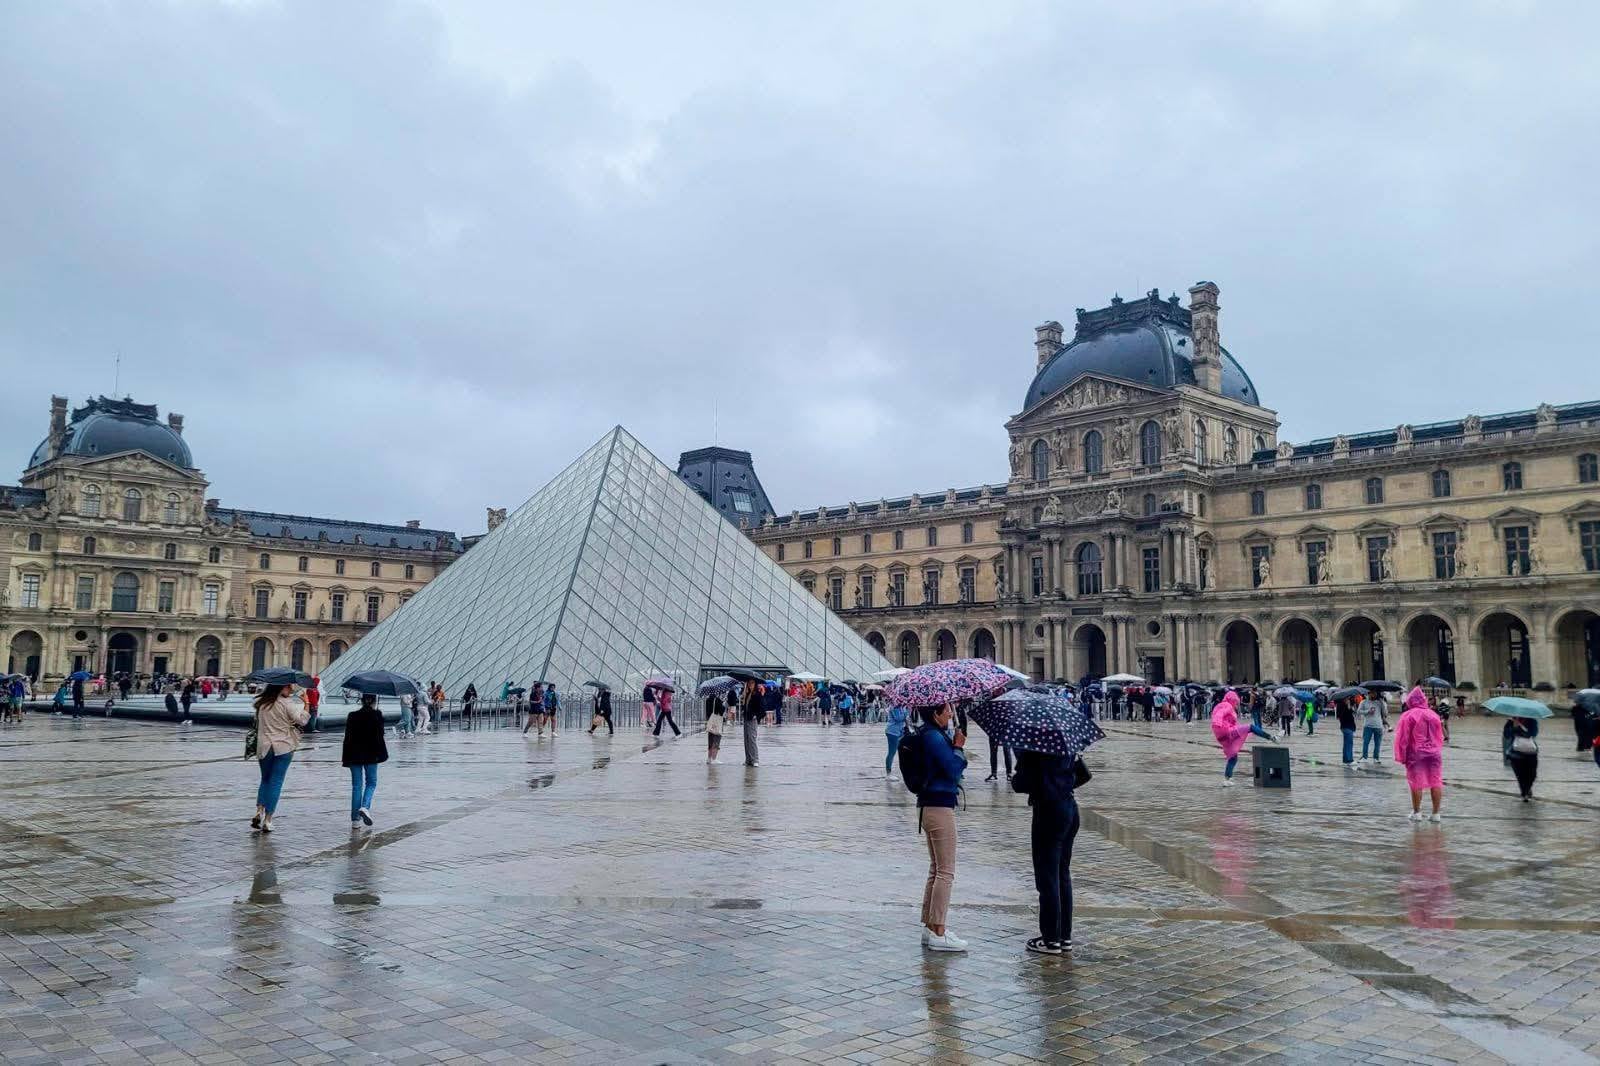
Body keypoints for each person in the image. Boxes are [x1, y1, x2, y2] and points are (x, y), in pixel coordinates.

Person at [1012, 746, 1080, 954]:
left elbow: (1021, 782)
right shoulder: (1065, 742)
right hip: (1069, 808)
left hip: (1049, 811)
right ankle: (1063, 936)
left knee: (1048, 876)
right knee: (1062, 874)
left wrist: (1021, 759)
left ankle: (1051, 938)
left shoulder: (1035, 747)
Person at [912, 703, 968, 951]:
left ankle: (930, 927)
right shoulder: (934, 737)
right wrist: (958, 747)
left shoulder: (930, 734)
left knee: (936, 869)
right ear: (935, 714)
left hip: (930, 805)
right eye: (947, 710)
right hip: (938, 806)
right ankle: (939, 930)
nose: (951, 714)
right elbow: (953, 769)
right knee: (946, 871)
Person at [250, 684, 309, 833]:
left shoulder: (262, 703)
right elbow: (302, 721)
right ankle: (268, 820)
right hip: (283, 747)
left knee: (265, 780)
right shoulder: (287, 703)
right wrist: (306, 703)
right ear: (280, 688)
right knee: (276, 782)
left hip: (264, 747)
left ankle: (259, 811)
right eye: (288, 687)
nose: (290, 690)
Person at [1393, 686, 1445, 822]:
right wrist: (1436, 749)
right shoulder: (1434, 714)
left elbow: (1402, 738)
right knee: (1436, 781)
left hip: (1416, 753)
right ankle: (1436, 814)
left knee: (1416, 782)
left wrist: (1402, 755)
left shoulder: (1408, 715)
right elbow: (1440, 736)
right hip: (1434, 753)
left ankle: (1417, 812)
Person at [342, 693, 389, 829]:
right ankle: (365, 807)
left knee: (357, 786)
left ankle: (355, 821)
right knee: (371, 783)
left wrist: (346, 759)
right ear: (374, 701)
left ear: (361, 701)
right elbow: (380, 736)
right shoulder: (377, 715)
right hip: (371, 755)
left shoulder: (352, 715)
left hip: (353, 755)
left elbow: (347, 738)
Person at [1210, 691, 1274, 786]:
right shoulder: (1227, 705)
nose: (1236, 704)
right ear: (1232, 700)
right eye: (1235, 702)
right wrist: (1217, 722)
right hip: (1225, 730)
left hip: (1221, 735)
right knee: (1250, 727)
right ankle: (1271, 737)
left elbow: (1231, 723)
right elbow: (1220, 714)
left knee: (1233, 757)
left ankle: (1227, 779)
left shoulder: (1221, 705)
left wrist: (1241, 733)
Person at [1503, 715, 1539, 801]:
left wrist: (1519, 729)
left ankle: (1527, 788)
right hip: (1515, 753)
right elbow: (1506, 735)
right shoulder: (1511, 721)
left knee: (1532, 775)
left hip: (1530, 752)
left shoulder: (1531, 720)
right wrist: (1514, 728)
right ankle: (1524, 793)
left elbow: (1533, 733)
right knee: (1520, 775)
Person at [1360, 692, 1388, 767]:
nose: (1373, 695)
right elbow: (1359, 711)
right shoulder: (1364, 702)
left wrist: (1383, 704)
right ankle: (1364, 757)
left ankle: (1376, 758)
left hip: (1378, 726)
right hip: (1368, 725)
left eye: (1374, 693)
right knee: (1366, 742)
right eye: (1371, 693)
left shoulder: (1379, 702)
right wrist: (1368, 711)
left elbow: (1385, 713)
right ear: (1368, 694)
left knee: (1377, 743)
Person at [884, 703, 909, 777]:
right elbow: (898, 718)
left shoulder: (902, 706)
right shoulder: (894, 706)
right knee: (892, 752)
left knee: (903, 751)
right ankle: (888, 773)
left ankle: (904, 771)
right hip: (892, 732)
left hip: (900, 732)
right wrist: (907, 712)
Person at [741, 681, 762, 766]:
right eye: (749, 683)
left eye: (752, 683)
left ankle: (755, 759)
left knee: (752, 739)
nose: (750, 685)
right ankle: (748, 759)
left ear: (755, 684)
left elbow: (760, 707)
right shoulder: (747, 694)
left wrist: (756, 715)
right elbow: (745, 706)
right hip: (746, 718)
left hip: (752, 718)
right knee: (746, 739)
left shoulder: (756, 694)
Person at [1336, 696, 1358, 767]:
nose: (1349, 698)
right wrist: (1347, 706)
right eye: (1347, 697)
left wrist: (1350, 707)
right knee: (1349, 743)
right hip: (1346, 726)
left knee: (1346, 744)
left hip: (1349, 726)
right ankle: (1349, 760)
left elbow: (1352, 713)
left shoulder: (1347, 704)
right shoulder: (1341, 705)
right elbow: (1340, 716)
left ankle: (1345, 760)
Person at [705, 695, 724, 762]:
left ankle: (709, 758)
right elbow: (721, 712)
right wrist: (723, 704)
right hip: (717, 723)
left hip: (710, 722)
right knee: (716, 739)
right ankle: (714, 758)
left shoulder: (708, 700)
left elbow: (707, 712)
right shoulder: (718, 700)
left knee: (710, 740)